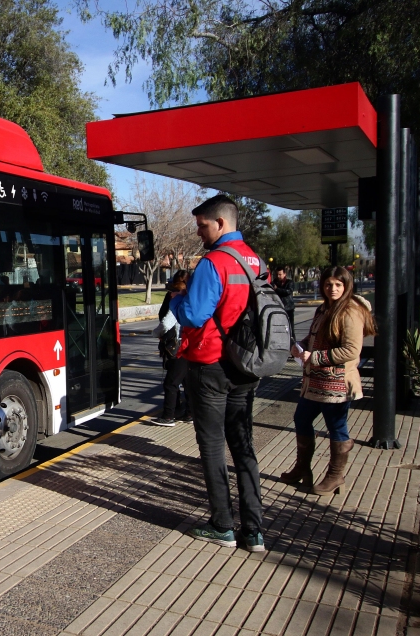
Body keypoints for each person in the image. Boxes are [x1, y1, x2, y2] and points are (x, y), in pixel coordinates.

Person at [168, 194, 268, 553]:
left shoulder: (214, 262)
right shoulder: (256, 260)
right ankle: (254, 530)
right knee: (243, 445)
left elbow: (194, 315)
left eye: (202, 225)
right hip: (245, 364)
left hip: (210, 364)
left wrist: (178, 299)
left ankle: (223, 525)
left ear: (220, 223)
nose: (199, 232)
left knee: (211, 446)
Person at [280, 266, 376, 495]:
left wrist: (315, 357)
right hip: (314, 382)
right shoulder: (323, 308)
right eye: (328, 284)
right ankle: (303, 468)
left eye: (338, 285)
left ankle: (335, 475)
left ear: (346, 286)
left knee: (337, 427)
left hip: (337, 383)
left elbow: (351, 350)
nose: (332, 289)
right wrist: (300, 346)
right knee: (301, 419)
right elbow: (315, 336)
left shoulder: (350, 311)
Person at [151, 276, 190, 426]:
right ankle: (189, 413)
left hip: (179, 348)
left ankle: (168, 416)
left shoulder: (177, 305)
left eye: (173, 291)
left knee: (171, 383)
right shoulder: (189, 303)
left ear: (179, 291)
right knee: (186, 381)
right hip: (189, 346)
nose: (170, 294)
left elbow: (165, 324)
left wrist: (154, 334)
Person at [273, 267, 296, 332]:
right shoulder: (275, 282)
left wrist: (277, 289)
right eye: (277, 274)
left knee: (290, 326)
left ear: (284, 274)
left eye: (280, 274)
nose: (278, 276)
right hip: (278, 307)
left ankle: (292, 340)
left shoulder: (289, 282)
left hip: (288, 307)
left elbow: (288, 291)